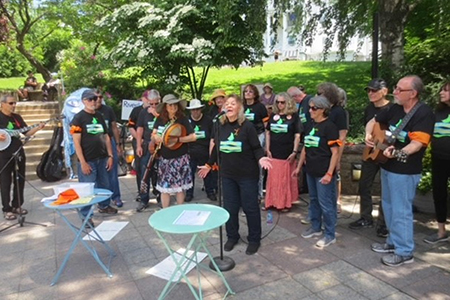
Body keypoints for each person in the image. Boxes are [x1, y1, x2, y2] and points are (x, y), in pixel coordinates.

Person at [367, 75, 434, 267]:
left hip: (405, 170)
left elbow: (417, 144)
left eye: (399, 90)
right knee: (388, 207)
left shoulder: (423, 113)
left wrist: (397, 153)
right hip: (388, 166)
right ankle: (392, 242)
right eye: (395, 88)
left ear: (412, 94)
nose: (394, 92)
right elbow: (375, 121)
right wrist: (369, 136)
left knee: (401, 210)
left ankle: (405, 252)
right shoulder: (395, 108)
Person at [198, 94, 272, 255]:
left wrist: (261, 159)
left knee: (250, 207)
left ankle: (254, 239)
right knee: (229, 207)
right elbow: (217, 148)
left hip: (247, 175)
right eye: (227, 104)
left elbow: (256, 148)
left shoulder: (247, 126)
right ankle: (232, 236)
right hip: (227, 175)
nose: (229, 106)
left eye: (233, 103)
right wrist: (209, 164)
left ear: (239, 108)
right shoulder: (219, 125)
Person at [293, 96, 340, 248]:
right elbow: (306, 147)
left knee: (326, 203)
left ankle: (330, 234)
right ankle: (315, 227)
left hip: (323, 171)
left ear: (323, 110)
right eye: (310, 107)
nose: (310, 111)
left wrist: (329, 173)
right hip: (311, 170)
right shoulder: (310, 125)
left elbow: (335, 153)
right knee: (313, 200)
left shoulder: (330, 127)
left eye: (314, 108)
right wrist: (299, 167)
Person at [349, 79, 392, 237]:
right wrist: (368, 136)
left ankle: (383, 223)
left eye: (374, 90)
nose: (370, 93)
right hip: (370, 152)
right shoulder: (369, 108)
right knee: (364, 185)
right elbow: (370, 125)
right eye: (369, 90)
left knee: (385, 190)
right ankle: (366, 217)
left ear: (384, 91)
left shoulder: (392, 109)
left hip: (386, 154)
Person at [70, 89, 117, 226]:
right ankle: (86, 215)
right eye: (90, 99)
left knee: (104, 184)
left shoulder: (100, 116)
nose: (93, 102)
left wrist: (110, 155)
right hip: (88, 159)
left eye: (95, 99)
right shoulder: (78, 118)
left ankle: (104, 206)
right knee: (87, 189)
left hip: (102, 157)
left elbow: (106, 136)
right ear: (84, 101)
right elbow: (76, 143)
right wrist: (83, 162)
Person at [0, 95, 45, 220]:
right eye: (10, 103)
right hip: (3, 154)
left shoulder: (17, 118)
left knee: (19, 178)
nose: (13, 105)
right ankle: (6, 208)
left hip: (18, 151)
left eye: (14, 103)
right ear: (2, 104)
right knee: (5, 181)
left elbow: (26, 132)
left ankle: (17, 205)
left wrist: (37, 128)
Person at [152, 94, 196, 208]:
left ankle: (179, 210)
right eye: (170, 105)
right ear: (165, 107)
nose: (173, 107)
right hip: (165, 158)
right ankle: (165, 211)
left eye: (175, 105)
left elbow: (193, 137)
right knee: (164, 188)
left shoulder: (183, 119)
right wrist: (155, 137)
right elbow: (154, 133)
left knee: (180, 187)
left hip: (180, 157)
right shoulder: (160, 119)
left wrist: (178, 140)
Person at [264, 92, 302, 212]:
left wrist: (295, 151)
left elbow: (297, 135)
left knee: (284, 179)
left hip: (287, 151)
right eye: (278, 102)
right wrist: (268, 148)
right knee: (273, 178)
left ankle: (284, 203)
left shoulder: (294, 117)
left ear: (288, 102)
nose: (280, 104)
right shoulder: (273, 115)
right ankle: (271, 201)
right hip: (273, 151)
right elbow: (268, 132)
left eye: (282, 102)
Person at [423, 81, 450, 244]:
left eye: (446, 90)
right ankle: (441, 231)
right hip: (439, 158)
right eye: (441, 90)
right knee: (439, 193)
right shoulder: (437, 112)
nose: (441, 92)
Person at [317, 82, 348, 213]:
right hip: (320, 152)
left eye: (320, 94)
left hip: (332, 152)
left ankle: (332, 212)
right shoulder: (324, 110)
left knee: (330, 186)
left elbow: (342, 136)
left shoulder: (339, 112)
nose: (317, 96)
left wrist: (338, 159)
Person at [94, 90, 123, 208]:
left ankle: (116, 197)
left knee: (112, 171)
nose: (98, 99)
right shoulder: (89, 112)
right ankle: (102, 200)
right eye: (96, 97)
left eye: (101, 97)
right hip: (95, 144)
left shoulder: (108, 110)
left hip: (109, 141)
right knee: (99, 174)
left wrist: (118, 144)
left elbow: (114, 127)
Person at [185, 99, 217, 202]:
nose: (195, 112)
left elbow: (212, 136)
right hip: (190, 151)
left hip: (204, 150)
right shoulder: (187, 121)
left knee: (207, 173)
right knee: (190, 173)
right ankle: (189, 193)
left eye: (197, 109)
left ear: (201, 109)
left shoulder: (208, 121)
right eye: (193, 110)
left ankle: (210, 191)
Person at [135, 89, 161, 212]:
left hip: (160, 146)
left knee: (160, 172)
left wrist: (156, 114)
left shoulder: (163, 112)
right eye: (151, 104)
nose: (154, 106)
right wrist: (139, 145)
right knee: (144, 173)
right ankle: (144, 199)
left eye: (156, 103)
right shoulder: (143, 113)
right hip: (146, 144)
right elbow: (139, 129)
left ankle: (161, 197)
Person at [243, 84, 269, 200]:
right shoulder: (241, 107)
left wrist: (266, 143)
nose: (248, 93)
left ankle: (259, 193)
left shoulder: (260, 107)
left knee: (258, 165)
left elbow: (266, 125)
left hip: (258, 135)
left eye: (250, 91)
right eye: (246, 91)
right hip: (244, 138)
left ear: (255, 94)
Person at [128, 90, 151, 199]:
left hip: (153, 143)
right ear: (143, 99)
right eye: (147, 98)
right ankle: (141, 192)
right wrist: (139, 140)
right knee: (140, 168)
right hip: (140, 142)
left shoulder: (158, 110)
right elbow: (131, 126)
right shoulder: (137, 110)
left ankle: (157, 191)